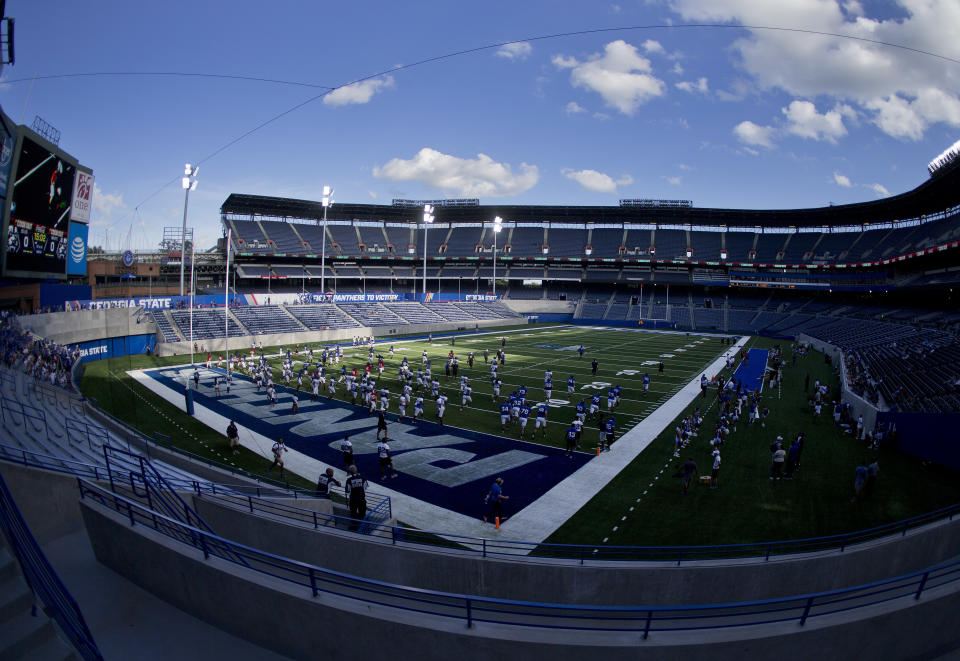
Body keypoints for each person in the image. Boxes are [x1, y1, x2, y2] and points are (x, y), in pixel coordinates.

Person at [345, 465, 368, 530]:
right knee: (362, 513)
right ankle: (362, 527)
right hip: (361, 498)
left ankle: (354, 527)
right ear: (356, 470)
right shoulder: (363, 478)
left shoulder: (349, 480)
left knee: (353, 513)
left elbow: (347, 490)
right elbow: (365, 487)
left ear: (350, 472)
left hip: (353, 499)